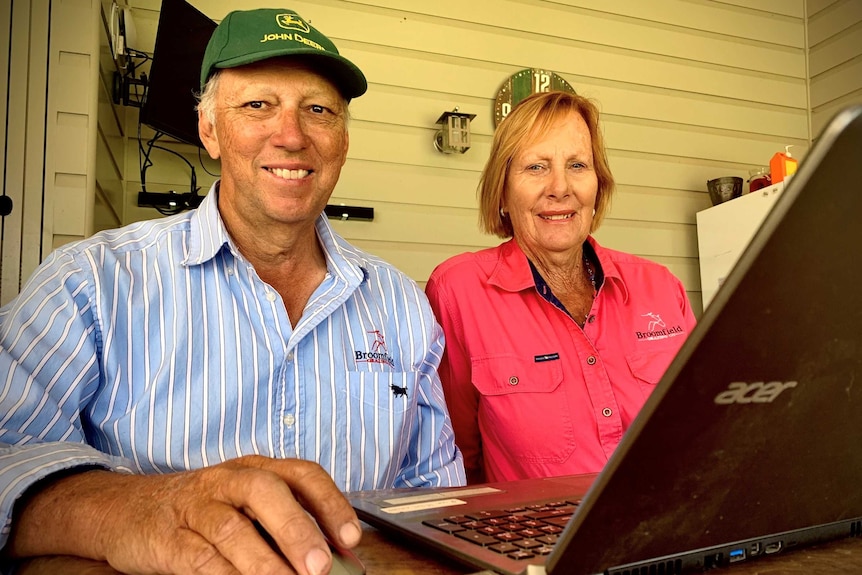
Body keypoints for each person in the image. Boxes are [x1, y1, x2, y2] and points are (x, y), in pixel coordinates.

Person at [0, 7, 464, 575]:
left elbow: (434, 497)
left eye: (318, 110)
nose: (291, 135)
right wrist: (148, 508)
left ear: (342, 140)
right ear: (210, 130)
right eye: (257, 105)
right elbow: (6, 454)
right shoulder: (91, 283)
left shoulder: (400, 304)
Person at [425, 90, 696, 485]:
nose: (560, 187)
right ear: (503, 190)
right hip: (536, 542)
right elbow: (454, 462)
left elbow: (705, 427)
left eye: (577, 165)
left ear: (597, 184)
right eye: (536, 167)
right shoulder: (458, 291)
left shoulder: (660, 287)